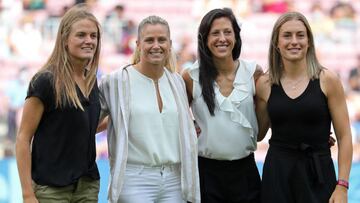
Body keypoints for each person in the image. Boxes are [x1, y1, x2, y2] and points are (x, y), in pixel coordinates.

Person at [98, 15, 200, 203]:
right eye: (149, 40)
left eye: (161, 40)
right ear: (138, 44)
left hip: (174, 179)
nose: (156, 45)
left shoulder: (176, 81)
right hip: (134, 178)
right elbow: (90, 124)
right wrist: (116, 119)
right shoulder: (116, 81)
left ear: (169, 44)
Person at [255, 11, 353, 203]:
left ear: (309, 41)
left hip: (318, 174)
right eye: (287, 35)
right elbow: (258, 134)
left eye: (300, 35)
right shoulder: (264, 83)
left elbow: (344, 136)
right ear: (276, 42)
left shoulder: (328, 80)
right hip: (278, 174)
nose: (294, 41)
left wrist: (342, 186)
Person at [15, 4, 101, 202]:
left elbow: (80, 126)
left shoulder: (92, 81)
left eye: (93, 36)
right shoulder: (45, 81)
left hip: (87, 186)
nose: (89, 41)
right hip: (51, 189)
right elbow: (23, 138)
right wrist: (27, 194)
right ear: (64, 40)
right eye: (81, 35)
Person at [182, 8, 262, 202]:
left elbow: (270, 118)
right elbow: (176, 115)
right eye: (215, 33)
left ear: (236, 36)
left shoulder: (254, 73)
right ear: (204, 38)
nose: (222, 38)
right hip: (205, 173)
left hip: (245, 172)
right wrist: (190, 125)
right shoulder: (191, 76)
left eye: (227, 32)